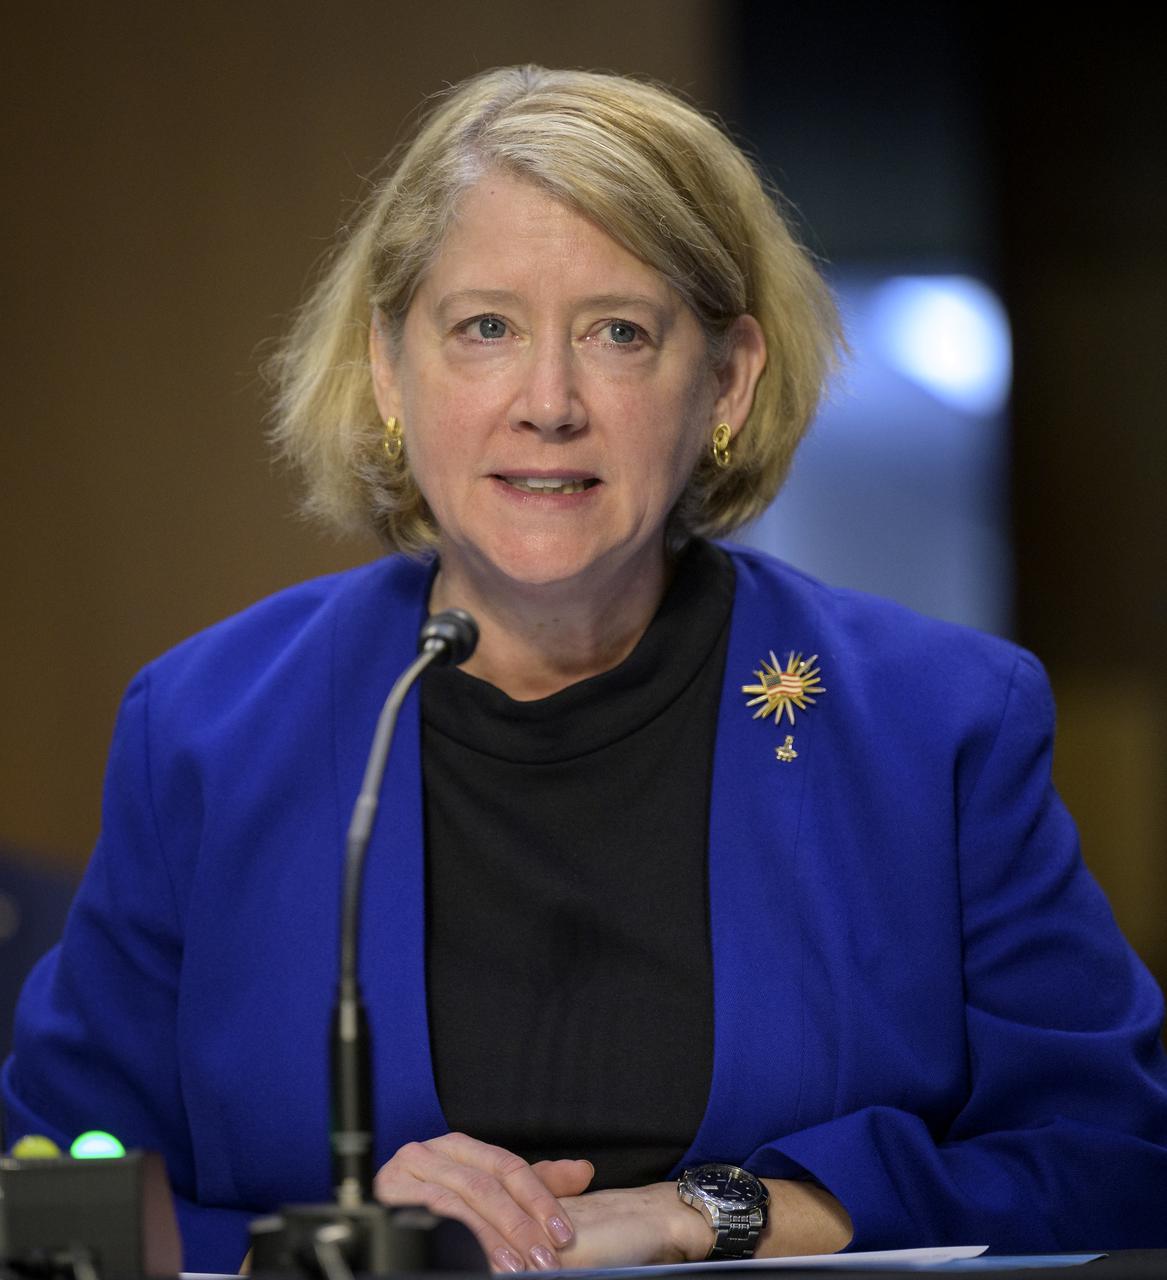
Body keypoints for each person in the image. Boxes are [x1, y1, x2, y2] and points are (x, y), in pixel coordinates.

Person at [5, 64, 1167, 1274]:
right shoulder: (208, 727)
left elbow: (1113, 1155)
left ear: (726, 379)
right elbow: (50, 1189)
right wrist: (337, 1244)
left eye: (620, 331)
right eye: (486, 328)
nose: (547, 402)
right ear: (393, 370)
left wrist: (716, 1211)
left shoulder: (939, 723)